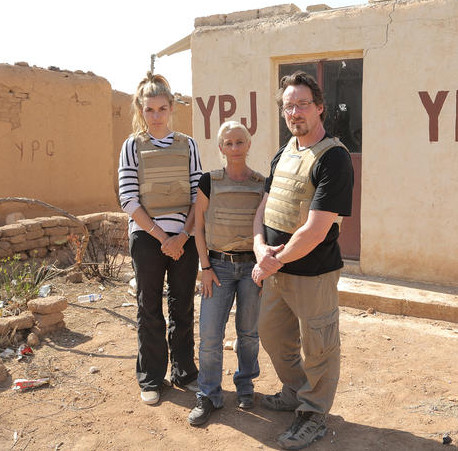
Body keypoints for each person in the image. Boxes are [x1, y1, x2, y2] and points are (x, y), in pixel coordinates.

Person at [251, 71, 353, 449]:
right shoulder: (284, 153)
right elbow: (263, 208)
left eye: (303, 104)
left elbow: (316, 229)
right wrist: (260, 247)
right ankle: (295, 390)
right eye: (288, 105)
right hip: (276, 270)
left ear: (320, 107)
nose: (295, 112)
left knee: (320, 345)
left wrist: (269, 263)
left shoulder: (335, 158)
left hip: (314, 273)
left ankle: (313, 413)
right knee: (272, 334)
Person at [118, 72, 202, 405]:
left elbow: (198, 196)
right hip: (147, 238)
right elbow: (128, 198)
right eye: (149, 109)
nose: (156, 115)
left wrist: (181, 235)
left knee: (183, 304)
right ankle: (151, 378)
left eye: (162, 108)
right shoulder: (132, 146)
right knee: (148, 307)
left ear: (171, 108)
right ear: (141, 109)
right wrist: (161, 236)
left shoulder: (188, 144)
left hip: (185, 238)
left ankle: (185, 373)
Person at [187, 121, 265, 426]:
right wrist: (204, 267)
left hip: (250, 269)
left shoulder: (260, 183)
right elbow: (199, 227)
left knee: (248, 333)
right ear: (220, 148)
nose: (234, 148)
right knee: (209, 334)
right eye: (228, 143)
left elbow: (266, 224)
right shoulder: (209, 181)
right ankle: (209, 394)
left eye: (239, 142)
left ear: (248, 145)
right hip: (217, 268)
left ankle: (245, 386)